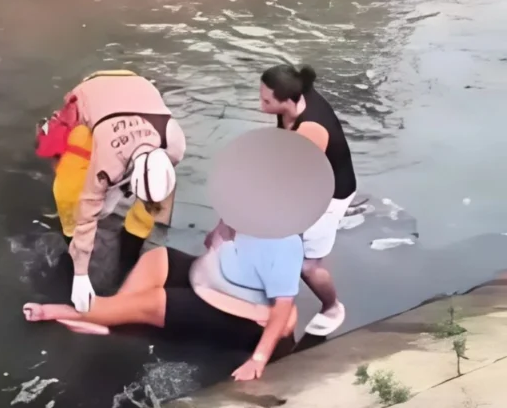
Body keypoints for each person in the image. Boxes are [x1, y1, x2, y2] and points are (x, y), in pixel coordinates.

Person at [23, 226, 301, 382]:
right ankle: (115, 319)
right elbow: (213, 247)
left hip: (251, 319)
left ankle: (86, 314)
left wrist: (258, 359)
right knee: (159, 258)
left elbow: (284, 307)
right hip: (215, 285)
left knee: (155, 302)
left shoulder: (284, 241)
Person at [45, 70, 186, 313]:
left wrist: (124, 192)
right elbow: (88, 213)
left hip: (138, 87)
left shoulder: (174, 144)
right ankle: (70, 242)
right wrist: (80, 275)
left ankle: (131, 247)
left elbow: (159, 179)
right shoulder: (109, 161)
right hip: (94, 90)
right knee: (69, 191)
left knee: (152, 204)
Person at [257, 63, 357, 336]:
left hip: (329, 194)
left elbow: (298, 180)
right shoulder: (297, 98)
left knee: (308, 265)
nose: (260, 105)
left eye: (266, 101)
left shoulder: (312, 129)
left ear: (287, 100)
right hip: (310, 179)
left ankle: (332, 306)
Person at [35, 104, 158, 274]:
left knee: (74, 227)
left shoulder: (63, 128)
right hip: (136, 173)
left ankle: (78, 267)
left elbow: (59, 168)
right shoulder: (146, 124)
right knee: (143, 214)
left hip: (78, 185)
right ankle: (128, 263)